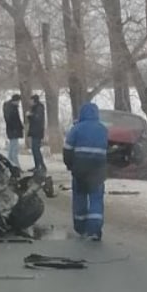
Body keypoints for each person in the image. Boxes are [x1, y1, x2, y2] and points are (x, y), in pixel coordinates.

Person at [63, 101, 108, 241]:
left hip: (80, 168)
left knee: (80, 196)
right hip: (98, 169)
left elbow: (68, 149)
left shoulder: (76, 129)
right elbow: (108, 150)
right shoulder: (103, 129)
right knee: (96, 198)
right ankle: (94, 230)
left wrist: (70, 165)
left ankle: (81, 226)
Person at [27, 93, 47, 173]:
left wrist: (30, 115)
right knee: (34, 149)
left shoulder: (39, 107)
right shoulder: (34, 108)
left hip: (37, 131)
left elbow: (37, 119)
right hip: (34, 131)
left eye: (31, 100)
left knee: (36, 149)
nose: (29, 102)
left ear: (34, 100)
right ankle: (38, 165)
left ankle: (41, 166)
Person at [2, 94, 24, 166]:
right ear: (15, 101)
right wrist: (18, 127)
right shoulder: (12, 108)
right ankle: (16, 165)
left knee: (11, 148)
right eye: (18, 101)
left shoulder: (8, 107)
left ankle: (10, 164)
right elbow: (13, 120)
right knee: (14, 149)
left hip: (11, 130)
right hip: (14, 130)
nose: (19, 103)